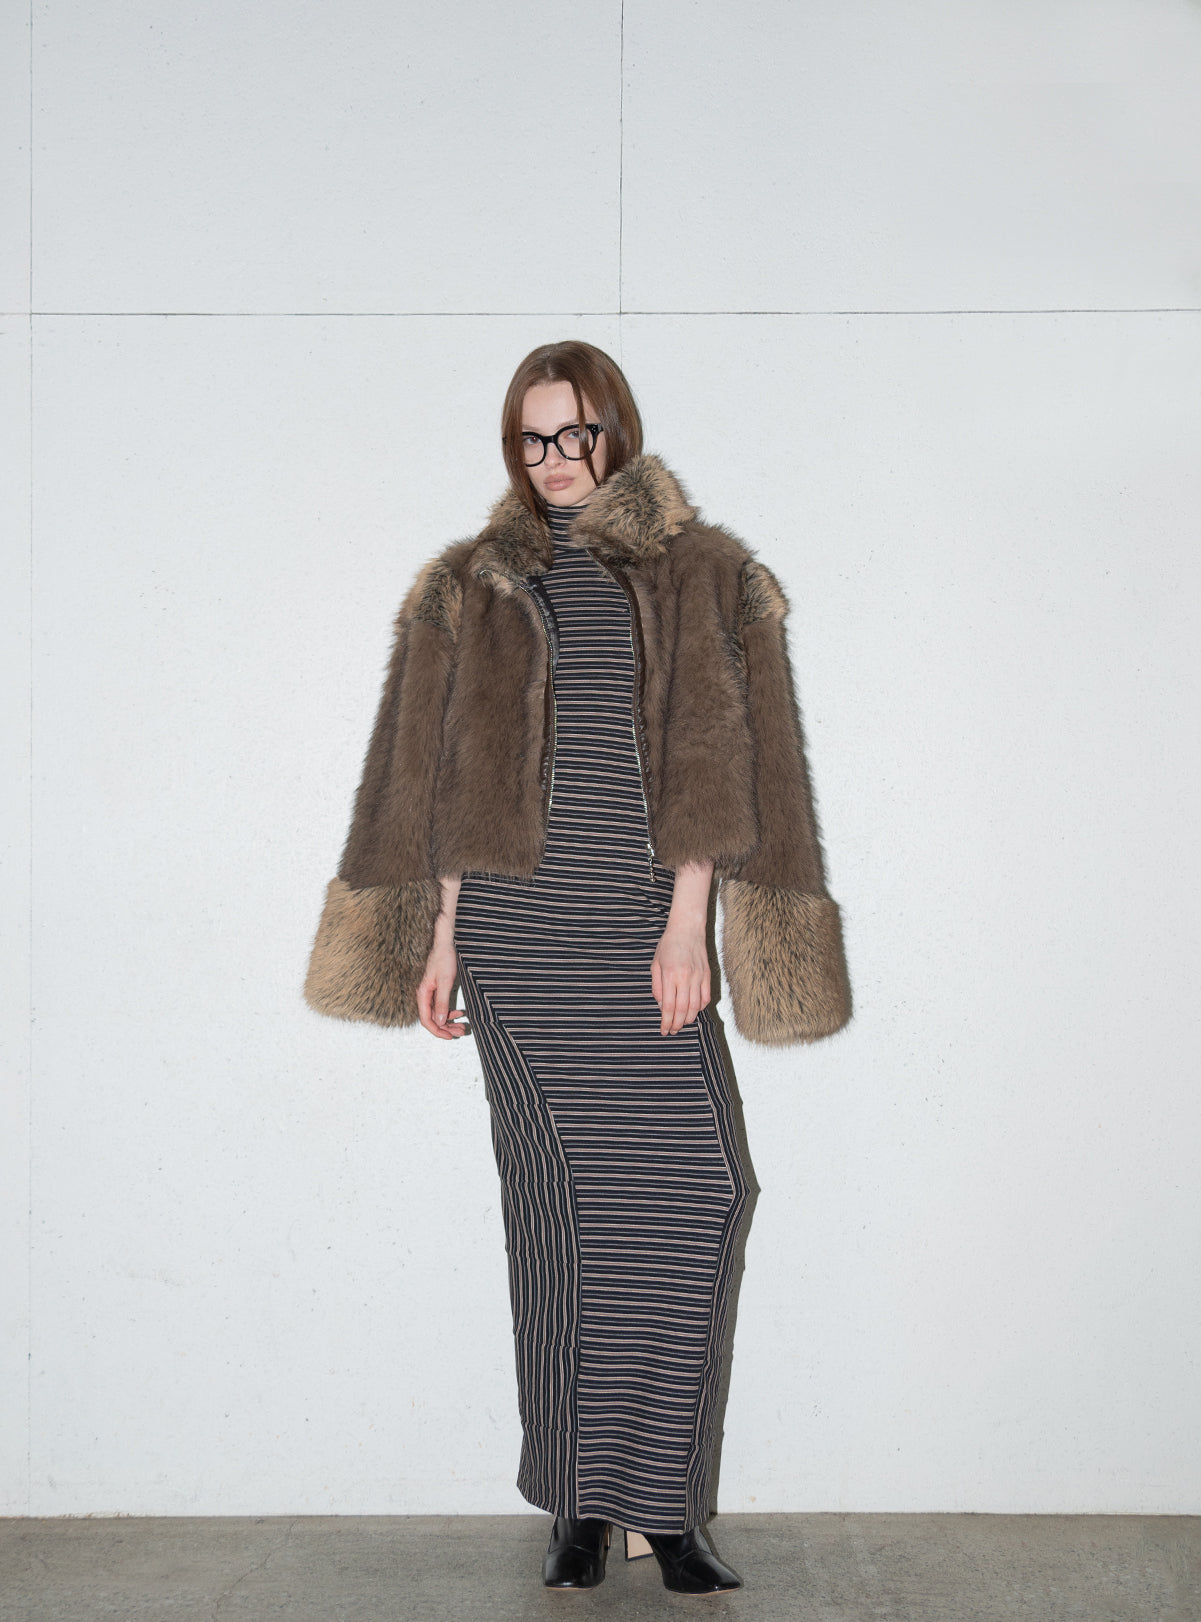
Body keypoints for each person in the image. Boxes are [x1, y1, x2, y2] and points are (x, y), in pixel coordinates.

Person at [304, 340, 851, 1594]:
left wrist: (687, 919)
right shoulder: (471, 584)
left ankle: (661, 1502)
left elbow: (718, 760)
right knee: (558, 1214)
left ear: (617, 430)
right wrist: (443, 935)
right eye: (532, 438)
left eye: (575, 432)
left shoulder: (700, 574)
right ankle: (579, 1503)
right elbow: (443, 777)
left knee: (697, 1193)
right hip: (517, 935)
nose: (555, 459)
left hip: (639, 931)